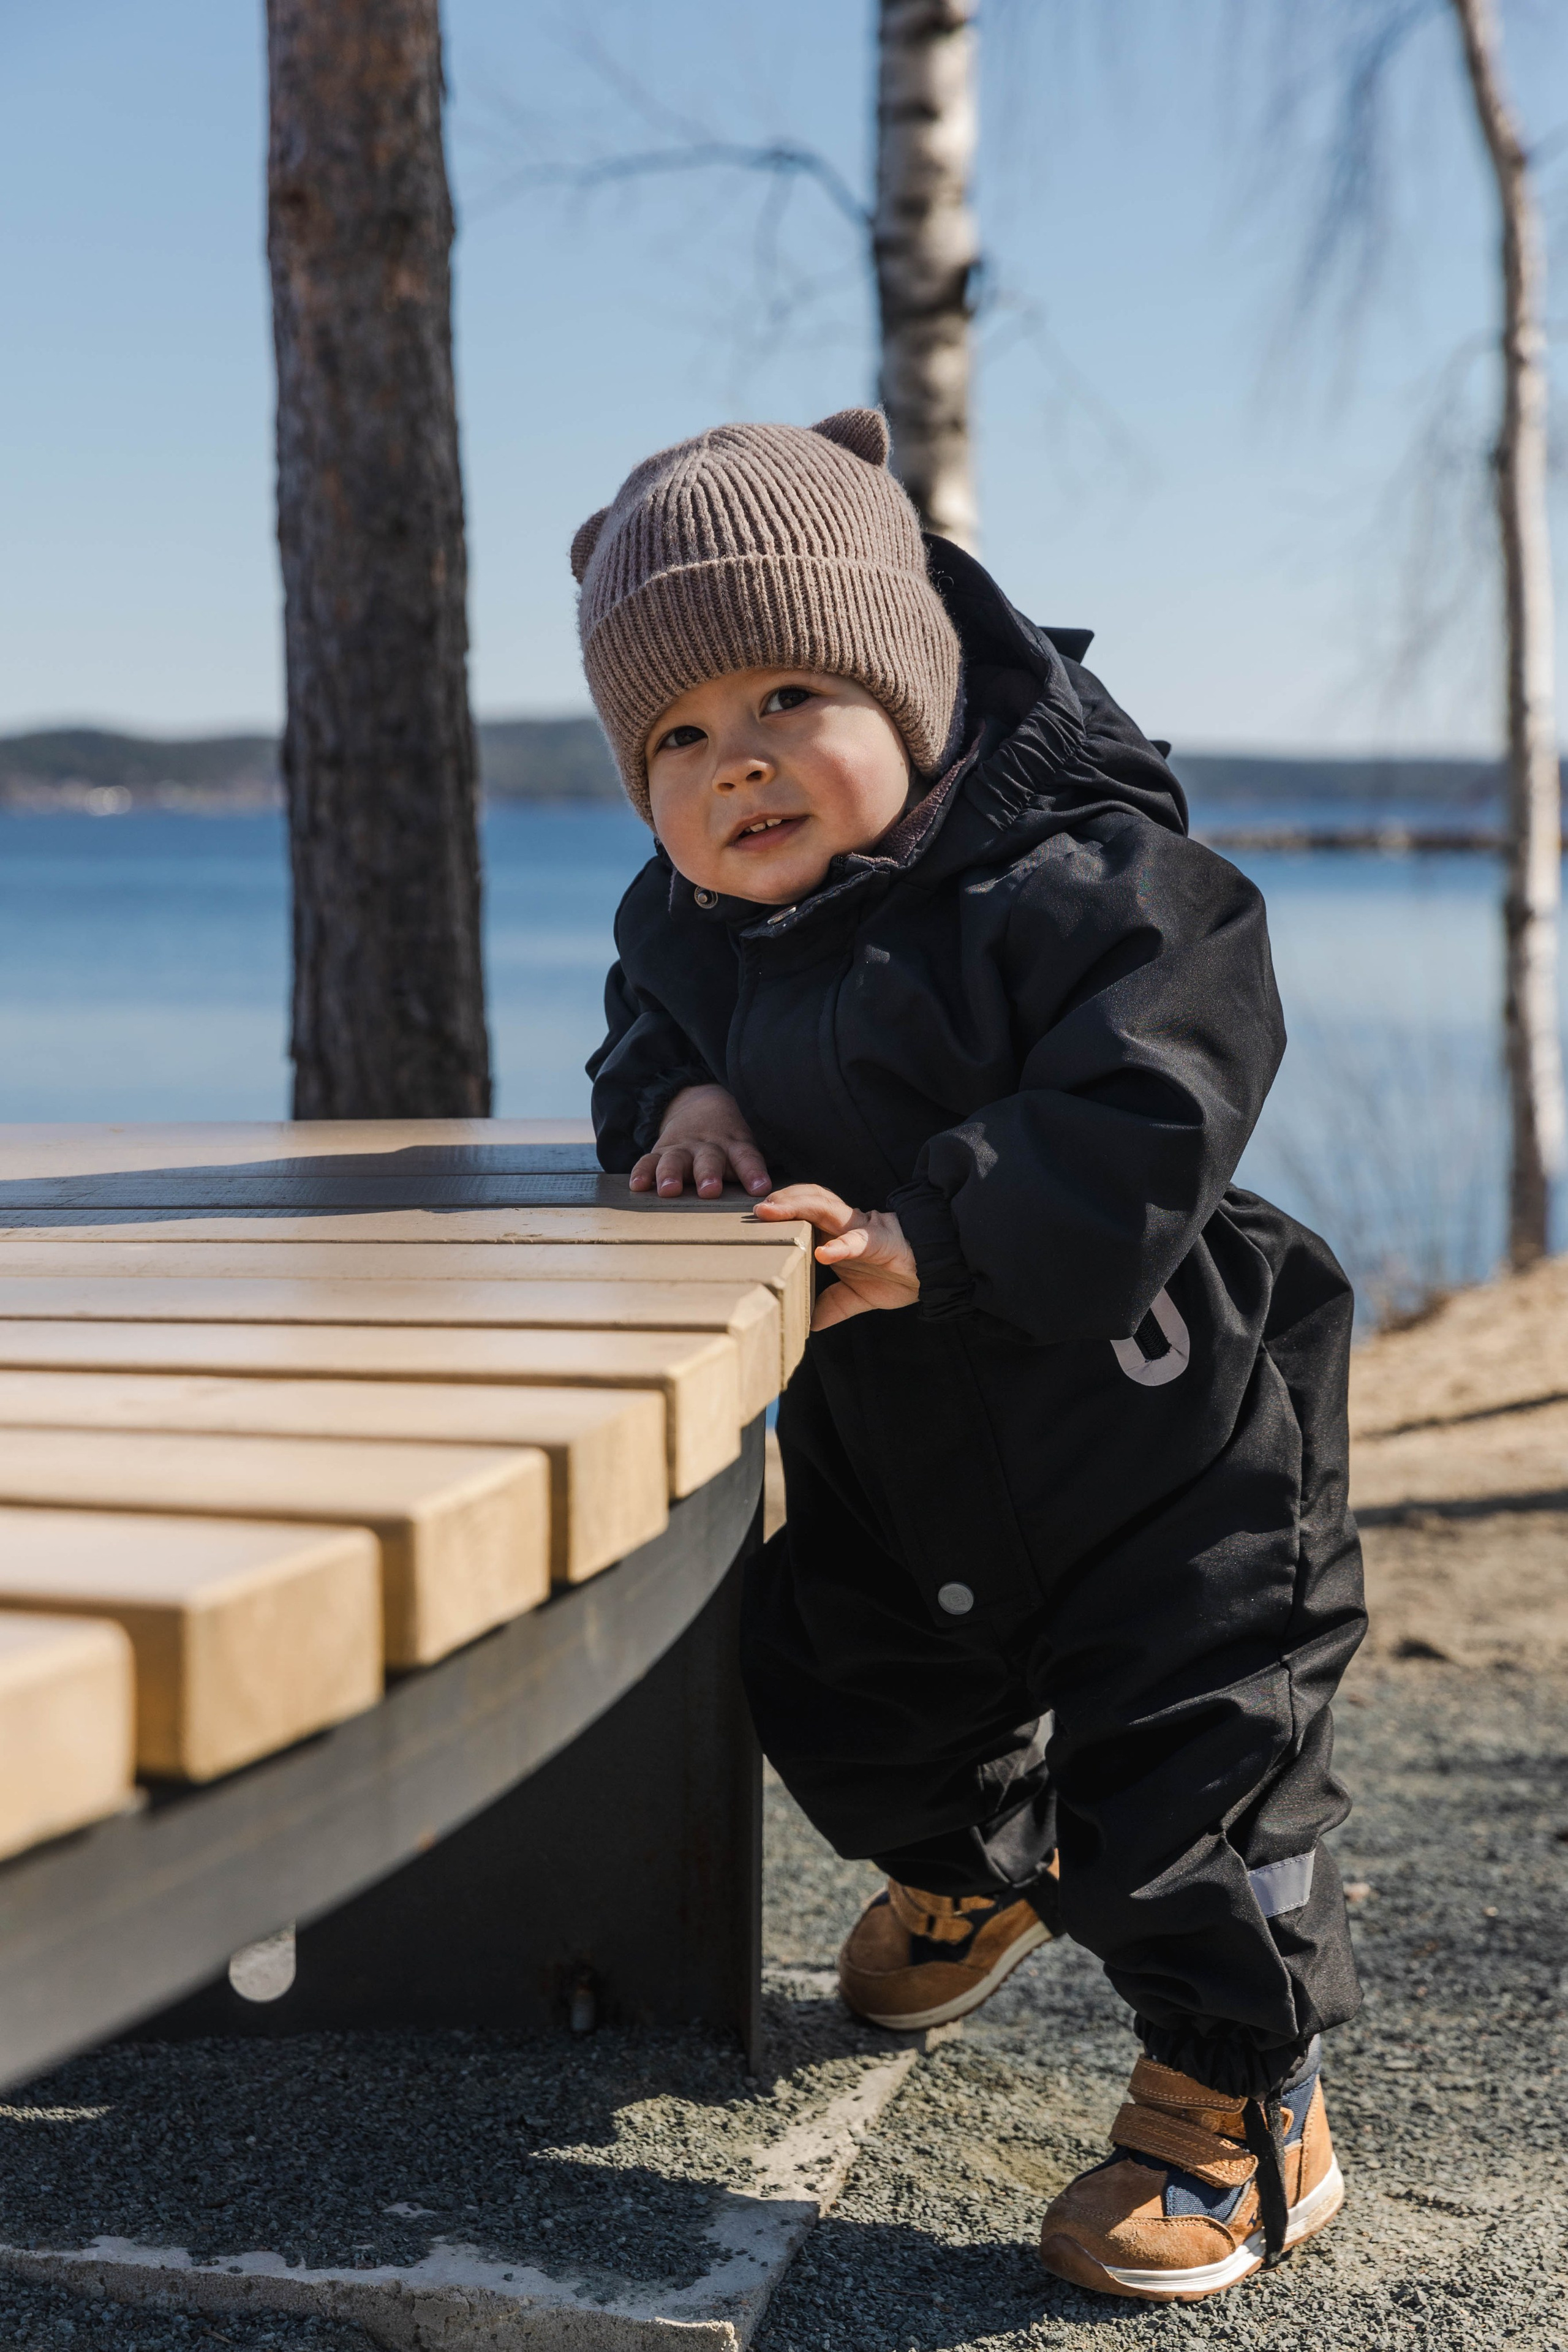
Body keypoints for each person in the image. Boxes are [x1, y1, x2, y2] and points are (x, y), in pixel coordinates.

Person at [578, 407, 1365, 2304]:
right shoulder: (698, 931)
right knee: (837, 1693)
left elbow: (1160, 1101)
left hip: (1161, 1446)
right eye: (674, 737)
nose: (734, 760)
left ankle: (1244, 2099)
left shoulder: (1091, 882)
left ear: (914, 687)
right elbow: (633, 1030)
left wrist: (940, 1231)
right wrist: (677, 1093)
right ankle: (977, 1867)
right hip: (897, 1445)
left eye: (785, 693)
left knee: (1194, 1789)